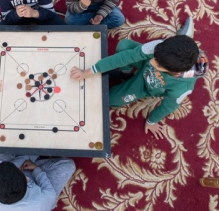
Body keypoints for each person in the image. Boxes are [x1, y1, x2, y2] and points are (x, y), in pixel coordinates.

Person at [70, 18, 208, 139]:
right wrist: (88, 71)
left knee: (110, 99)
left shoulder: (182, 88)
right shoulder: (156, 48)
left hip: (147, 86)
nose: (152, 62)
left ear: (176, 73)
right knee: (124, 46)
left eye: (158, 64)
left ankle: (185, 36)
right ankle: (126, 73)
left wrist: (151, 121)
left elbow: (168, 106)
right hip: (144, 65)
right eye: (155, 58)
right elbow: (126, 57)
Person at [0, 154, 75, 211]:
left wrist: (21, 160)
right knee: (69, 165)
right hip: (41, 194)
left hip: (13, 172)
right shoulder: (41, 201)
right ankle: (31, 155)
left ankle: (28, 155)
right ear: (26, 180)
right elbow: (48, 190)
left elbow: (3, 167)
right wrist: (36, 169)